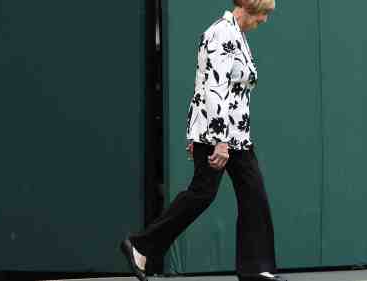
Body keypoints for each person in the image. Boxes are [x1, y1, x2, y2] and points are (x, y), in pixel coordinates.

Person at [121, 1, 283, 281]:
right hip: (220, 135)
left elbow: (210, 85)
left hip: (235, 135)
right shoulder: (220, 34)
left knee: (252, 195)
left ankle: (256, 268)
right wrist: (218, 140)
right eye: (263, 14)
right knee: (202, 195)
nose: (264, 21)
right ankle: (141, 246)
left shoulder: (236, 34)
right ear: (249, 7)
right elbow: (212, 88)